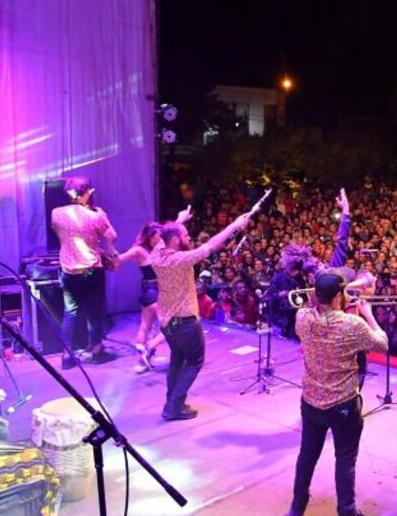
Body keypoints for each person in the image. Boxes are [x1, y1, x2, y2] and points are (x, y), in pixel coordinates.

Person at [290, 270, 388, 516]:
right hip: (342, 404)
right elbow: (382, 344)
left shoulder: (302, 318)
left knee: (307, 453)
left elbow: (312, 306)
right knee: (345, 458)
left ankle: (298, 503)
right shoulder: (352, 325)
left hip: (310, 401)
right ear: (337, 296)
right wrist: (368, 314)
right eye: (343, 292)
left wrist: (325, 294)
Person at [151, 206, 251, 420]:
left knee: (177, 360)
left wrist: (180, 220)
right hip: (185, 322)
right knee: (195, 361)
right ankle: (174, 406)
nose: (189, 237)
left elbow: (164, 236)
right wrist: (235, 225)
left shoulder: (157, 253)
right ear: (176, 241)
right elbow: (211, 245)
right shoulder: (180, 259)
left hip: (167, 323)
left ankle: (172, 401)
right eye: (185, 235)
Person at [50, 176, 119, 369]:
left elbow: (59, 233)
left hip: (69, 272)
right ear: (87, 192)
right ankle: (97, 351)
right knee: (94, 312)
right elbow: (112, 236)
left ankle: (66, 356)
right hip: (91, 271)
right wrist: (100, 214)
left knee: (70, 313)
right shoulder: (95, 215)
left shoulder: (56, 213)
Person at [115, 221, 169, 374]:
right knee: (170, 325)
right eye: (159, 236)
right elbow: (120, 259)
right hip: (153, 292)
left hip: (148, 292)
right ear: (150, 236)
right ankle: (149, 348)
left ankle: (142, 361)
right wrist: (110, 251)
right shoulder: (139, 250)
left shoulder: (155, 249)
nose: (162, 239)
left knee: (145, 326)